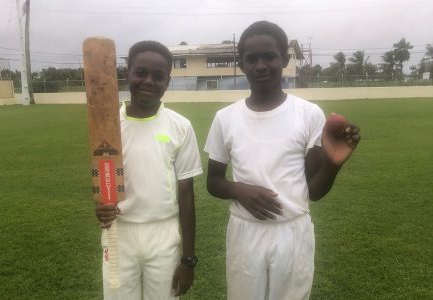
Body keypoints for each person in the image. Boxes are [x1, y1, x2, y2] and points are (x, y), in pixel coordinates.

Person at [204, 21, 360, 300]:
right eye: (251, 59)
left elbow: (313, 191)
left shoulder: (309, 114)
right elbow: (213, 182)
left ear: (285, 60)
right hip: (244, 233)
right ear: (242, 64)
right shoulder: (225, 118)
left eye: (269, 56)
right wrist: (240, 190)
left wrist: (333, 165)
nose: (260, 65)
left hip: (293, 231)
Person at [96, 40, 203, 300]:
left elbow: (186, 193)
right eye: (140, 73)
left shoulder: (180, 126)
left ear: (167, 80)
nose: (148, 82)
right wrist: (101, 205)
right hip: (119, 232)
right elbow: (104, 178)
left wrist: (188, 260)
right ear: (127, 73)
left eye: (158, 76)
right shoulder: (107, 125)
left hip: (163, 234)